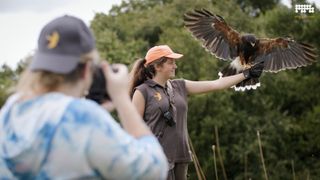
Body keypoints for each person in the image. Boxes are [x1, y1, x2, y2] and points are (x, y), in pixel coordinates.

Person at [0, 15, 168, 179]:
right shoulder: (82, 117)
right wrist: (122, 100)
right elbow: (154, 170)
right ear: (87, 69)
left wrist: (96, 112)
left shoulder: (11, 109)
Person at [130, 45, 264, 180]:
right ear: (157, 67)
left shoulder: (179, 86)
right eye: (171, 63)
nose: (175, 66)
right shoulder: (142, 92)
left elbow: (215, 84)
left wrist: (247, 74)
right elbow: (132, 130)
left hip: (181, 157)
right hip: (155, 159)